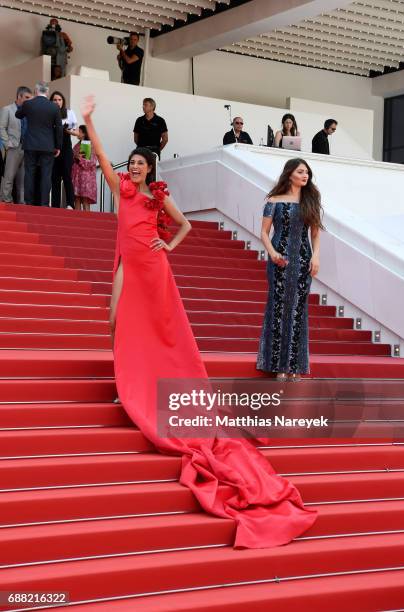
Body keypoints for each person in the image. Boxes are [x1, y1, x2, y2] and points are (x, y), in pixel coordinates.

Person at [81, 95, 317, 549]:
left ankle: (132, 384)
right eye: (129, 163)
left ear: (149, 168)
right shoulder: (123, 189)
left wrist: (167, 247)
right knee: (115, 321)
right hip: (127, 264)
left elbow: (184, 226)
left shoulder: (155, 198)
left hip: (153, 268)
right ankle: (127, 379)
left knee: (154, 329)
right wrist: (90, 120)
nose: (131, 169)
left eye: (138, 164)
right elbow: (103, 159)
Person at [257, 158, 323, 382]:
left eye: (307, 173)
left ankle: (294, 365)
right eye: (301, 172)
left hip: (303, 260)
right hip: (279, 261)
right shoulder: (273, 200)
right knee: (278, 309)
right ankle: (277, 366)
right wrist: (273, 253)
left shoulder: (310, 200)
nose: (305, 176)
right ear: (290, 174)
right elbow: (264, 232)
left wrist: (315, 256)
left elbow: (315, 232)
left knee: (297, 310)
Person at [16, 81, 62, 207]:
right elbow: (59, 128)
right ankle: (44, 204)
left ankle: (29, 202)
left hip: (30, 144)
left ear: (35, 91)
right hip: (48, 146)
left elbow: (18, 114)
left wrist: (24, 107)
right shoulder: (54, 107)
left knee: (29, 173)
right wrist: (58, 146)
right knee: (46, 174)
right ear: (47, 92)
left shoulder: (28, 104)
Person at [0, 86, 32, 203]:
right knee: (9, 177)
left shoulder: (29, 112)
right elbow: (1, 128)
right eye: (27, 97)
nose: (29, 100)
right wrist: (7, 144)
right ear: (19, 96)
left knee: (23, 180)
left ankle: (22, 203)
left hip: (27, 148)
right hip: (13, 147)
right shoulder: (7, 109)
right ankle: (5, 200)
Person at [50, 91, 77, 208]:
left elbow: (76, 131)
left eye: (59, 100)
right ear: (51, 101)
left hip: (66, 148)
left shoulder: (69, 113)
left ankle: (70, 204)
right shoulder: (48, 113)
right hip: (53, 149)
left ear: (63, 101)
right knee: (55, 178)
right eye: (55, 100)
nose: (57, 102)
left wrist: (66, 130)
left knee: (67, 177)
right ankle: (55, 206)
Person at [71, 124, 97, 211]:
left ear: (84, 134)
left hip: (85, 177)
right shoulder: (77, 145)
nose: (77, 132)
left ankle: (87, 221)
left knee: (85, 199)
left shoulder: (87, 144)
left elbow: (88, 163)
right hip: (77, 176)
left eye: (79, 131)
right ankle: (77, 221)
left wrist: (78, 158)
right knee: (77, 199)